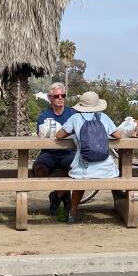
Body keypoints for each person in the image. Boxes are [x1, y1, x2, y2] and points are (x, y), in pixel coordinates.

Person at [56, 90, 122, 223]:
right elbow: (118, 135)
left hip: (83, 169)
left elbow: (59, 135)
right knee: (118, 174)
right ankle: (121, 203)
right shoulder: (103, 117)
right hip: (106, 170)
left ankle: (73, 213)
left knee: (79, 182)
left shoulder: (75, 118)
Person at [32, 82, 76, 216]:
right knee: (39, 170)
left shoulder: (73, 114)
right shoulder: (43, 116)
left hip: (68, 152)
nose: (60, 98)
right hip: (49, 153)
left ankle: (57, 196)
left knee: (76, 168)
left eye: (63, 95)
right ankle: (65, 195)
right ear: (49, 98)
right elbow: (42, 137)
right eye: (57, 96)